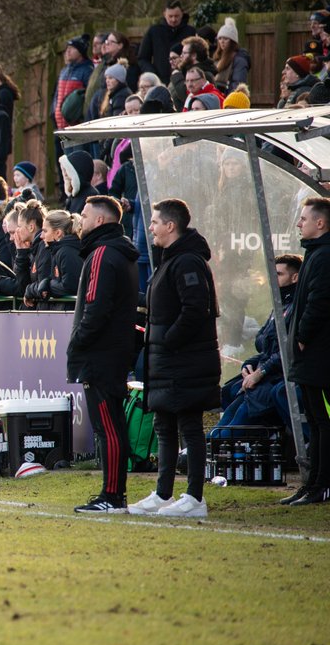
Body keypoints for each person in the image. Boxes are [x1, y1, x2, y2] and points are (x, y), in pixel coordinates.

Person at [129, 199, 219, 518]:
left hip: (184, 361)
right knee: (164, 425)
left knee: (189, 426)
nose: (150, 228)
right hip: (167, 362)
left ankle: (195, 497)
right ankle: (162, 493)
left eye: (155, 222)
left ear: (170, 225)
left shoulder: (188, 262)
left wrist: (168, 341)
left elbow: (195, 308)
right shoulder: (169, 260)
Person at [67, 195, 139, 513]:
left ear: (99, 220)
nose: (79, 220)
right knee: (113, 426)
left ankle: (112, 496)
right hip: (115, 352)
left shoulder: (102, 254)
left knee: (107, 427)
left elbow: (95, 308)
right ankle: (113, 493)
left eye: (84, 215)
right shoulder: (120, 252)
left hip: (100, 355)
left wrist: (78, 343)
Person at [212, 254, 299, 436]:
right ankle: (206, 447)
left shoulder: (296, 307)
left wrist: (261, 372)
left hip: (277, 380)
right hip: (262, 379)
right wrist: (249, 365)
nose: (273, 278)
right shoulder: (279, 305)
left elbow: (287, 352)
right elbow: (263, 342)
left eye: (279, 274)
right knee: (224, 418)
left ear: (295, 277)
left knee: (230, 430)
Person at [283, 197, 330, 505]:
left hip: (320, 356)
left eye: (304, 218)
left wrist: (301, 336)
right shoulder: (314, 253)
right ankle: (311, 483)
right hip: (310, 357)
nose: (299, 223)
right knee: (314, 420)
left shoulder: (324, 256)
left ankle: (322, 485)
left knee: (324, 422)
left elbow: (320, 301)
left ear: (320, 223)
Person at [137, 0, 197, 79]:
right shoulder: (154, 31)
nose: (173, 19)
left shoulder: (190, 32)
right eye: (170, 16)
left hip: (185, 78)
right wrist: (152, 74)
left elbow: (196, 57)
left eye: (176, 16)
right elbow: (143, 58)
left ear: (182, 14)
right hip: (159, 79)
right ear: (164, 14)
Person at [52, 35, 95, 130]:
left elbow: (89, 98)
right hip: (60, 126)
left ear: (80, 52)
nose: (68, 51)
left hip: (76, 127)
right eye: (67, 48)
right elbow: (56, 96)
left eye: (72, 48)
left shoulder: (87, 71)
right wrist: (53, 113)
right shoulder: (64, 71)